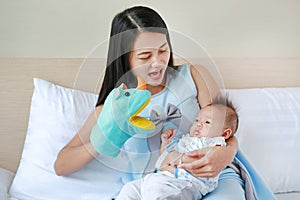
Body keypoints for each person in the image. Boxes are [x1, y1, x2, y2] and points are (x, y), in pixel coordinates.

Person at [54, 5, 275, 200]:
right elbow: (61, 165)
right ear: (125, 57)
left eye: (163, 50)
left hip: (212, 176)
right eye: (145, 56)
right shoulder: (116, 106)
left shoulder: (195, 75)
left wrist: (226, 153)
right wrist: (108, 138)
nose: (158, 62)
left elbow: (225, 127)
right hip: (158, 184)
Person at [116, 103, 238, 199]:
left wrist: (172, 161)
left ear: (225, 133)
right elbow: (164, 159)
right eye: (197, 120)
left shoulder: (215, 143)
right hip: (162, 178)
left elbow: (193, 158)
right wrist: (165, 143)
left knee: (158, 191)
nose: (199, 125)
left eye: (207, 122)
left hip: (185, 184)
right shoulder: (186, 139)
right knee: (130, 189)